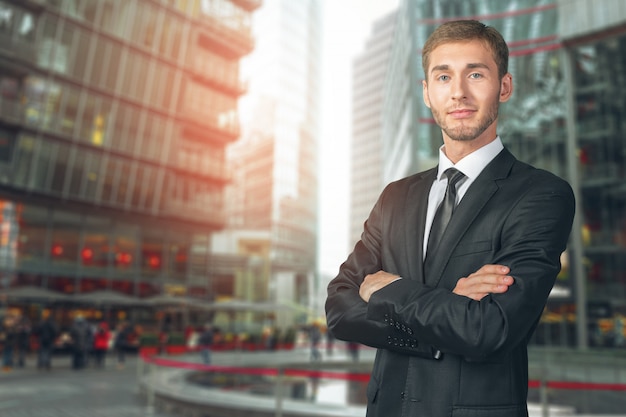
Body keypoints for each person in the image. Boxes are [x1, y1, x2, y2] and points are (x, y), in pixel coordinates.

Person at [325, 20, 576, 417]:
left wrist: (389, 290)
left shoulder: (541, 194)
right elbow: (339, 309)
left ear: (504, 87)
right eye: (443, 76)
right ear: (427, 93)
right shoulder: (395, 197)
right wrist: (447, 314)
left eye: (475, 73)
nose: (458, 91)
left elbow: (489, 329)